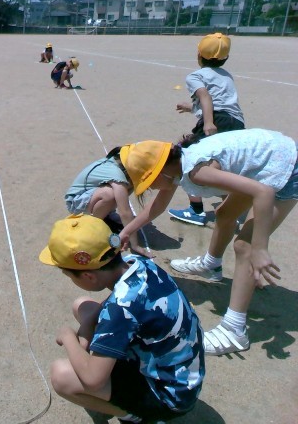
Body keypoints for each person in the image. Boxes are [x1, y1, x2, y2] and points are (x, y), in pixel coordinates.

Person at [117, 129, 298, 356]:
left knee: (245, 245)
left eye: (149, 183)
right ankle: (212, 265)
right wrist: (127, 231)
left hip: (286, 167)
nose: (151, 188)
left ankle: (234, 331)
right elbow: (157, 207)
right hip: (260, 165)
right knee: (225, 214)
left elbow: (264, 193)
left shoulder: (196, 172)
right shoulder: (177, 166)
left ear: (160, 172)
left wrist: (260, 248)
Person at [40, 214, 204, 423]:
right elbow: (124, 304)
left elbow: (93, 380)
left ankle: (134, 415)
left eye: (70, 275)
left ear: (89, 276)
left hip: (169, 397)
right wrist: (89, 324)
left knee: (62, 374)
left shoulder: (120, 310)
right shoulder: (138, 262)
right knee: (83, 306)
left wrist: (68, 337)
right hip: (183, 375)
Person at [168, 33, 245, 226]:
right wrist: (191, 108)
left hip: (216, 120)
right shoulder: (227, 76)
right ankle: (231, 207)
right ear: (226, 58)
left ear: (199, 55)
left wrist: (209, 122)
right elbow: (220, 102)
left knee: (185, 158)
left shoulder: (196, 76)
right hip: (236, 123)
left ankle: (196, 210)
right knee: (225, 163)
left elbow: (206, 97)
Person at [65, 144, 157, 257]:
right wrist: (135, 245)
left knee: (132, 220)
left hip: (90, 198)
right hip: (76, 203)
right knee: (110, 195)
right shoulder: (116, 174)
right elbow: (125, 211)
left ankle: (105, 216)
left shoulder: (120, 166)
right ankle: (92, 227)